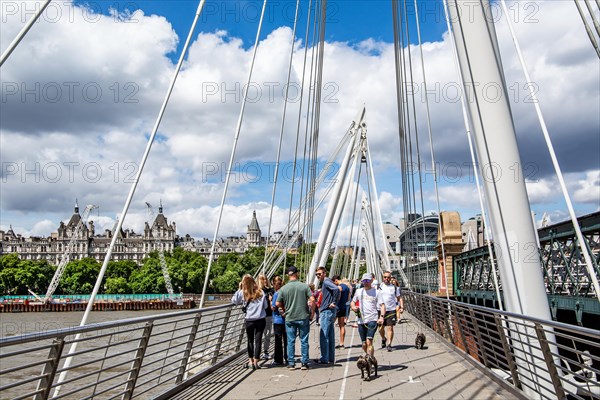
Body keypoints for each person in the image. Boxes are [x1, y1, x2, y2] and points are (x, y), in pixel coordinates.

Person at [276, 266, 315, 371]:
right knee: (304, 340)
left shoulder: (283, 288)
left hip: (290, 317)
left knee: (290, 341)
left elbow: (277, 303)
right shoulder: (304, 286)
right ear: (297, 274)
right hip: (303, 317)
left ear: (288, 275)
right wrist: (312, 313)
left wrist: (283, 312)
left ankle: (291, 363)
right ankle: (304, 363)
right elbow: (312, 300)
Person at [231, 274, 269, 370]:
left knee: (250, 341)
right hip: (260, 320)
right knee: (258, 340)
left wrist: (239, 288)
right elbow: (265, 306)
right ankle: (256, 362)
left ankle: (250, 361)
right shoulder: (261, 292)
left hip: (249, 320)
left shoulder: (243, 292)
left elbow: (234, 301)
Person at [351, 273, 381, 358]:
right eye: (364, 281)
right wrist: (353, 307)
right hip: (361, 320)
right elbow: (352, 302)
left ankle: (370, 359)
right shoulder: (358, 291)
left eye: (368, 281)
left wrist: (381, 317)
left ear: (371, 281)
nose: (366, 282)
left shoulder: (377, 292)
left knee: (369, 341)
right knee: (364, 344)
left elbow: (382, 305)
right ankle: (368, 355)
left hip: (373, 319)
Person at [315, 267, 340, 365]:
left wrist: (334, 302)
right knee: (330, 335)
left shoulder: (326, 281)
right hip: (330, 311)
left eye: (319, 274)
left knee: (324, 335)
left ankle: (324, 358)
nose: (318, 276)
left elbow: (336, 289)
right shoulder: (327, 281)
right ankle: (330, 357)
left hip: (326, 311)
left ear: (324, 273)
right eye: (316, 274)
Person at [378, 271, 403, 351]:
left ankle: (389, 344)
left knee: (390, 327)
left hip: (391, 310)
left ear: (390, 278)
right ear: (383, 277)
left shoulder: (394, 287)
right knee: (380, 328)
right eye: (385, 277)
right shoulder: (379, 286)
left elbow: (399, 298)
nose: (387, 279)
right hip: (380, 310)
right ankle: (383, 338)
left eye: (388, 277)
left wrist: (400, 306)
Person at [271, 275, 287, 365]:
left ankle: (278, 359)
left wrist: (270, 301)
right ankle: (288, 357)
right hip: (286, 319)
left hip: (277, 319)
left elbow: (273, 307)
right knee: (287, 340)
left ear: (274, 284)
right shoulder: (286, 292)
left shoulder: (276, 294)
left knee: (278, 340)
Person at [258, 274, 274, 359]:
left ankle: (266, 351)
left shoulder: (270, 290)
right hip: (259, 315)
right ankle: (257, 352)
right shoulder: (258, 291)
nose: (265, 281)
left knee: (267, 334)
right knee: (258, 334)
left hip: (268, 314)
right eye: (262, 279)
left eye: (265, 279)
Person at [332, 275, 350, 349]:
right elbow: (348, 298)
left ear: (336, 280)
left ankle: (328, 342)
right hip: (343, 307)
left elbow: (337, 297)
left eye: (334, 282)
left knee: (329, 324)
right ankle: (342, 343)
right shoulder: (347, 287)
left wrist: (334, 302)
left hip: (337, 307)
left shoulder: (339, 287)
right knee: (342, 326)